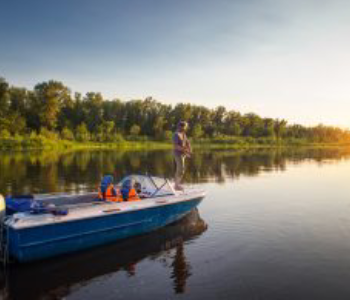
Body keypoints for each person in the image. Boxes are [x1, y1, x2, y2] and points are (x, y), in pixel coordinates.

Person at [173, 121, 192, 190]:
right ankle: (176, 186)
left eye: (185, 127)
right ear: (180, 126)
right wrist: (185, 150)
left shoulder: (183, 134)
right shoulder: (176, 134)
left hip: (183, 154)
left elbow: (187, 142)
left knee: (180, 170)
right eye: (184, 127)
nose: (185, 128)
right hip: (177, 154)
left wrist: (189, 149)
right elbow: (176, 146)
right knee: (181, 169)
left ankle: (176, 185)